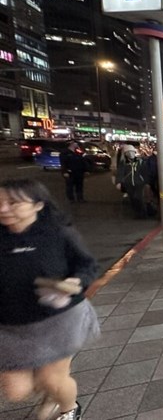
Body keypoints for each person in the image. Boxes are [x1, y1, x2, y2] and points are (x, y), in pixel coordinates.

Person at [0, 178, 100, 420]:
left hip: (59, 319)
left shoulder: (58, 233)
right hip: (11, 324)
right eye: (0, 203)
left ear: (38, 205)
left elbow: (87, 265)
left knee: (52, 379)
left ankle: (68, 408)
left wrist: (75, 283)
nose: (4, 209)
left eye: (13, 203)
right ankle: (50, 387)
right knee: (16, 391)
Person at [115, 144, 150, 218]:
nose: (130, 154)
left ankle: (143, 213)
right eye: (128, 152)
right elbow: (120, 173)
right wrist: (118, 182)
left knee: (139, 198)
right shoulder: (123, 163)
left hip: (139, 183)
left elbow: (145, 172)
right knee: (132, 199)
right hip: (128, 183)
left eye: (132, 152)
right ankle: (137, 213)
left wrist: (146, 181)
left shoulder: (140, 161)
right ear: (125, 154)